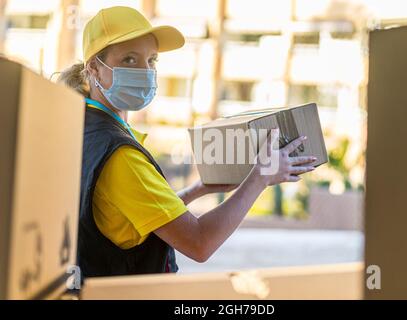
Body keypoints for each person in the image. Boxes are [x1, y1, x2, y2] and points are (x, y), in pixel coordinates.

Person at [58, 6, 317, 278]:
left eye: (152, 61)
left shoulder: (83, 126)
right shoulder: (120, 155)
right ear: (95, 69)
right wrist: (259, 178)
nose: (145, 71)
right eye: (130, 60)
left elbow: (135, 217)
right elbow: (199, 242)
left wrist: (197, 190)